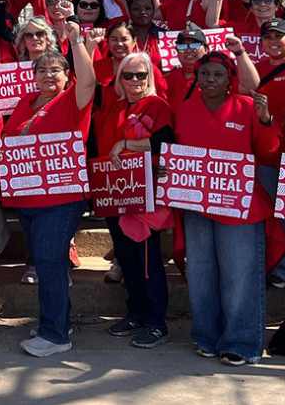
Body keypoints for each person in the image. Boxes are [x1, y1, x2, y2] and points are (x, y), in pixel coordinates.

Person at [173, 52, 280, 366]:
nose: (210, 80)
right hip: (196, 205)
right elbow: (176, 152)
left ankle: (242, 343)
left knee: (239, 276)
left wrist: (265, 121)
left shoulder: (247, 107)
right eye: (205, 73)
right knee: (201, 274)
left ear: (229, 78)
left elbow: (270, 153)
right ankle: (207, 336)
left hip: (240, 207)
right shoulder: (184, 109)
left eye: (218, 74)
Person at [3, 24, 98, 357]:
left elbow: (89, 80)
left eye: (55, 69)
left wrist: (75, 41)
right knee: (45, 263)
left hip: (61, 200)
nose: (47, 74)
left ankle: (55, 336)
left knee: (49, 263)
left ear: (66, 74)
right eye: (41, 69)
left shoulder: (73, 100)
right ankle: (56, 321)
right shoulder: (24, 103)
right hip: (28, 200)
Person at [95, 52, 174, 349]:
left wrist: (126, 143)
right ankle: (136, 313)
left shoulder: (157, 104)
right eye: (128, 75)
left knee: (146, 259)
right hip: (114, 192)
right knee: (126, 257)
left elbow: (166, 140)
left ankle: (156, 322)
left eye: (141, 75)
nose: (134, 81)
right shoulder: (114, 105)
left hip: (144, 193)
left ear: (150, 77)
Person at [240, 18, 285, 293]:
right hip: (267, 152)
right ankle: (284, 268)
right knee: (279, 216)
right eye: (267, 36)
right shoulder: (256, 69)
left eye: (279, 36)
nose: (273, 41)